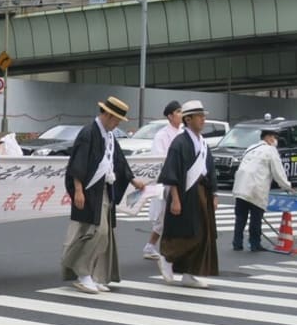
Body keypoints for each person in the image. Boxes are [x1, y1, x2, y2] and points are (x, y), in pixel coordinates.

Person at [61, 96, 145, 294]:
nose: (116, 124)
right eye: (115, 119)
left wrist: (133, 180)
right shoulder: (88, 133)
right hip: (90, 190)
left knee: (103, 236)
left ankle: (89, 273)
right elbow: (77, 163)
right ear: (107, 115)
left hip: (105, 189)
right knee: (97, 232)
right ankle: (82, 273)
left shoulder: (109, 136)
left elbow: (120, 161)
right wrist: (79, 190)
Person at [157, 100, 219, 288]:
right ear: (188, 119)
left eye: (203, 116)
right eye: (199, 116)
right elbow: (171, 173)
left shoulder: (203, 143)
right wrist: (175, 199)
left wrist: (214, 194)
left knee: (203, 234)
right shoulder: (179, 143)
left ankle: (190, 272)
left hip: (201, 193)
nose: (203, 120)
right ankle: (168, 258)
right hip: (184, 194)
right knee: (186, 233)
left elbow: (210, 170)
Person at [232, 129, 295, 251]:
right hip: (256, 187)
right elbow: (278, 172)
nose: (275, 141)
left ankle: (237, 243)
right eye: (274, 138)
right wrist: (288, 186)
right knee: (256, 218)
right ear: (269, 138)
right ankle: (255, 244)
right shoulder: (270, 150)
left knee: (240, 217)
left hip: (240, 186)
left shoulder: (250, 148)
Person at [141, 101, 184, 260]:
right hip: (166, 182)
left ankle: (159, 247)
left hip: (182, 181)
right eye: (178, 111)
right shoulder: (162, 135)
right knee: (162, 217)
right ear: (170, 116)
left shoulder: (183, 133)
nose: (181, 115)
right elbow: (160, 160)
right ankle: (151, 246)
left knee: (176, 217)